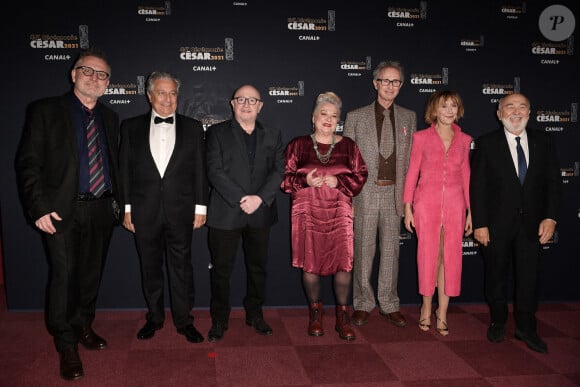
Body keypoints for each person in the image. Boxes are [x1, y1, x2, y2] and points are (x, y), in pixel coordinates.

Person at [15, 47, 122, 381]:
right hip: (61, 211)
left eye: (102, 74)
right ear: (73, 74)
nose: (94, 78)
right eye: (87, 70)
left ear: (108, 83)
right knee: (64, 279)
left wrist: (120, 205)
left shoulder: (110, 117)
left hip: (102, 208)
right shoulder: (45, 110)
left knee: (91, 275)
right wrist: (39, 206)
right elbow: (29, 163)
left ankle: (84, 326)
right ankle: (66, 344)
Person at [119, 71, 208, 344]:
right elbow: (124, 171)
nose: (168, 99)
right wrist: (126, 208)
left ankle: (184, 321)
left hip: (181, 210)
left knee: (181, 267)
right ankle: (154, 318)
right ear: (149, 95)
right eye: (161, 92)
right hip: (143, 212)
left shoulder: (193, 127)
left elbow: (200, 171)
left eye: (172, 93)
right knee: (150, 268)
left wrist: (201, 207)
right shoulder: (130, 127)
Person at [470, 93, 562, 353]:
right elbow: (478, 187)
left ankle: (526, 327)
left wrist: (551, 217)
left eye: (523, 107)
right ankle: (498, 321)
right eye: (509, 106)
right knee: (495, 276)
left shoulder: (545, 141)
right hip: (496, 225)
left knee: (529, 279)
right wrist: (480, 223)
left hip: (533, 225)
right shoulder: (486, 143)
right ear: (499, 114)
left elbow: (554, 183)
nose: (516, 111)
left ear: (530, 113)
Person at [281, 92, 368, 340]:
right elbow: (284, 179)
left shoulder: (349, 146)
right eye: (323, 114)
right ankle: (316, 314)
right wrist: (304, 180)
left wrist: (339, 181)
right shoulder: (298, 145)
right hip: (307, 211)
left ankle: (342, 317)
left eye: (333, 116)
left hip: (340, 211)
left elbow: (361, 174)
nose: (328, 120)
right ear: (313, 117)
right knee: (310, 264)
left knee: (343, 264)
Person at [205, 84, 285, 341]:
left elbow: (279, 170)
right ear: (232, 103)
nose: (247, 104)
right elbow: (214, 171)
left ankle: (255, 314)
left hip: (260, 213)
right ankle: (219, 319)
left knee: (258, 268)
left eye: (253, 100)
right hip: (226, 212)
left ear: (260, 106)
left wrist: (259, 199)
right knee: (221, 271)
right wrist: (242, 199)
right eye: (241, 99)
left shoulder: (273, 134)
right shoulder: (216, 133)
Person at [343, 60, 417, 327]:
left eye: (395, 81)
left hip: (394, 194)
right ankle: (363, 302)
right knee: (363, 251)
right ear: (375, 84)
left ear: (401, 86)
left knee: (391, 253)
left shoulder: (409, 117)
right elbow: (347, 162)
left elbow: (411, 163)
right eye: (385, 81)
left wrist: (409, 201)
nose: (390, 86)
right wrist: (348, 198)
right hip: (364, 194)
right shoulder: (355, 117)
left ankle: (389, 303)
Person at [403, 90, 473, 336]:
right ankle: (425, 308)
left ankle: (442, 312)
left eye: (454, 105)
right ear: (434, 110)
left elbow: (466, 176)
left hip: (455, 205)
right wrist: (407, 207)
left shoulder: (465, 140)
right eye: (444, 106)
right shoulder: (421, 137)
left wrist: (471, 211)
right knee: (428, 256)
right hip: (426, 204)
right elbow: (412, 172)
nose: (449, 110)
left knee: (450, 259)